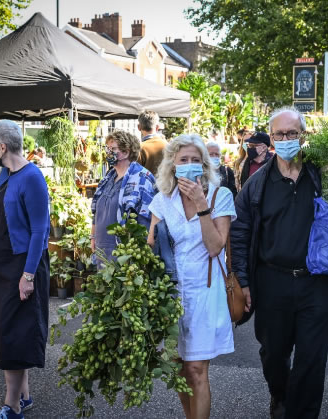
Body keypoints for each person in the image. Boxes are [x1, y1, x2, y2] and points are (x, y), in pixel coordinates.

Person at [231, 107, 328, 418]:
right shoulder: (257, 184)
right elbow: (240, 231)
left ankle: (302, 412)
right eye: (280, 134)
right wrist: (244, 281)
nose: (287, 139)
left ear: (303, 136)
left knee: (312, 358)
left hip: (315, 281)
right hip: (271, 281)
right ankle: (280, 395)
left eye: (293, 133)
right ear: (271, 138)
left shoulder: (326, 175)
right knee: (273, 354)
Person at [147, 134, 236, 419]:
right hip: (171, 295)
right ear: (172, 164)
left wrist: (201, 205)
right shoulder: (162, 200)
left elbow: (215, 247)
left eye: (195, 160)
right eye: (183, 160)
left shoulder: (219, 196)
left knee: (197, 369)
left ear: (204, 165)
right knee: (178, 369)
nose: (189, 165)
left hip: (204, 292)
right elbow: (152, 245)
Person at [0, 120, 50, 419]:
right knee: (9, 331)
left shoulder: (32, 177)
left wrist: (28, 275)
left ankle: (11, 406)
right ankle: (23, 396)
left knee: (14, 334)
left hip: (21, 266)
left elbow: (40, 231)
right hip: (0, 267)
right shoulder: (4, 173)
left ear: (2, 147)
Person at [91, 130, 156, 265]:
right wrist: (93, 237)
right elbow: (96, 211)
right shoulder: (107, 179)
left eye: (113, 149)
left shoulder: (142, 178)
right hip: (102, 249)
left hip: (125, 253)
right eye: (107, 149)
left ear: (126, 152)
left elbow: (148, 218)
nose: (108, 153)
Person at [137, 110, 168, 175]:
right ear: (157, 127)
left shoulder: (139, 148)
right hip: (165, 184)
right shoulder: (168, 146)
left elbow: (135, 173)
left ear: (139, 127)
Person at [233, 127, 253, 193]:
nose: (247, 143)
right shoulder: (238, 162)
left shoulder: (259, 161)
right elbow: (237, 183)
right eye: (245, 141)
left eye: (250, 140)